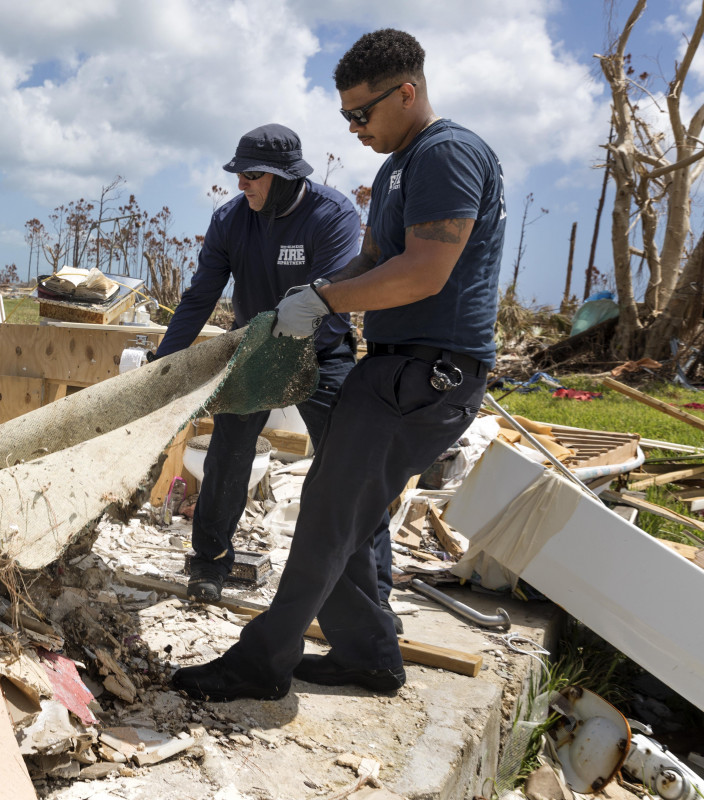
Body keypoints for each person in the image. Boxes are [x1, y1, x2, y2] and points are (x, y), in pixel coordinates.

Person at [171, 28, 505, 701]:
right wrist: (317, 292)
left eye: (362, 113)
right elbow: (374, 260)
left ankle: (261, 663)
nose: (354, 128)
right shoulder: (395, 167)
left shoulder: (447, 154)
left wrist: (324, 300)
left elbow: (426, 271)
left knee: (328, 513)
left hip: (430, 374)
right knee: (341, 509)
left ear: (406, 93)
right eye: (346, 116)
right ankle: (368, 657)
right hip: (392, 369)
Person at [152, 123, 399, 630]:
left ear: (285, 178)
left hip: (322, 351)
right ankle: (210, 563)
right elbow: (200, 296)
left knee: (352, 465)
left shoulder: (332, 215)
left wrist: (300, 337)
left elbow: (336, 298)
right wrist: (164, 364)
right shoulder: (231, 220)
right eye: (239, 174)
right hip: (253, 350)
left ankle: (375, 596)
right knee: (228, 453)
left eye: (253, 175)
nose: (242, 183)